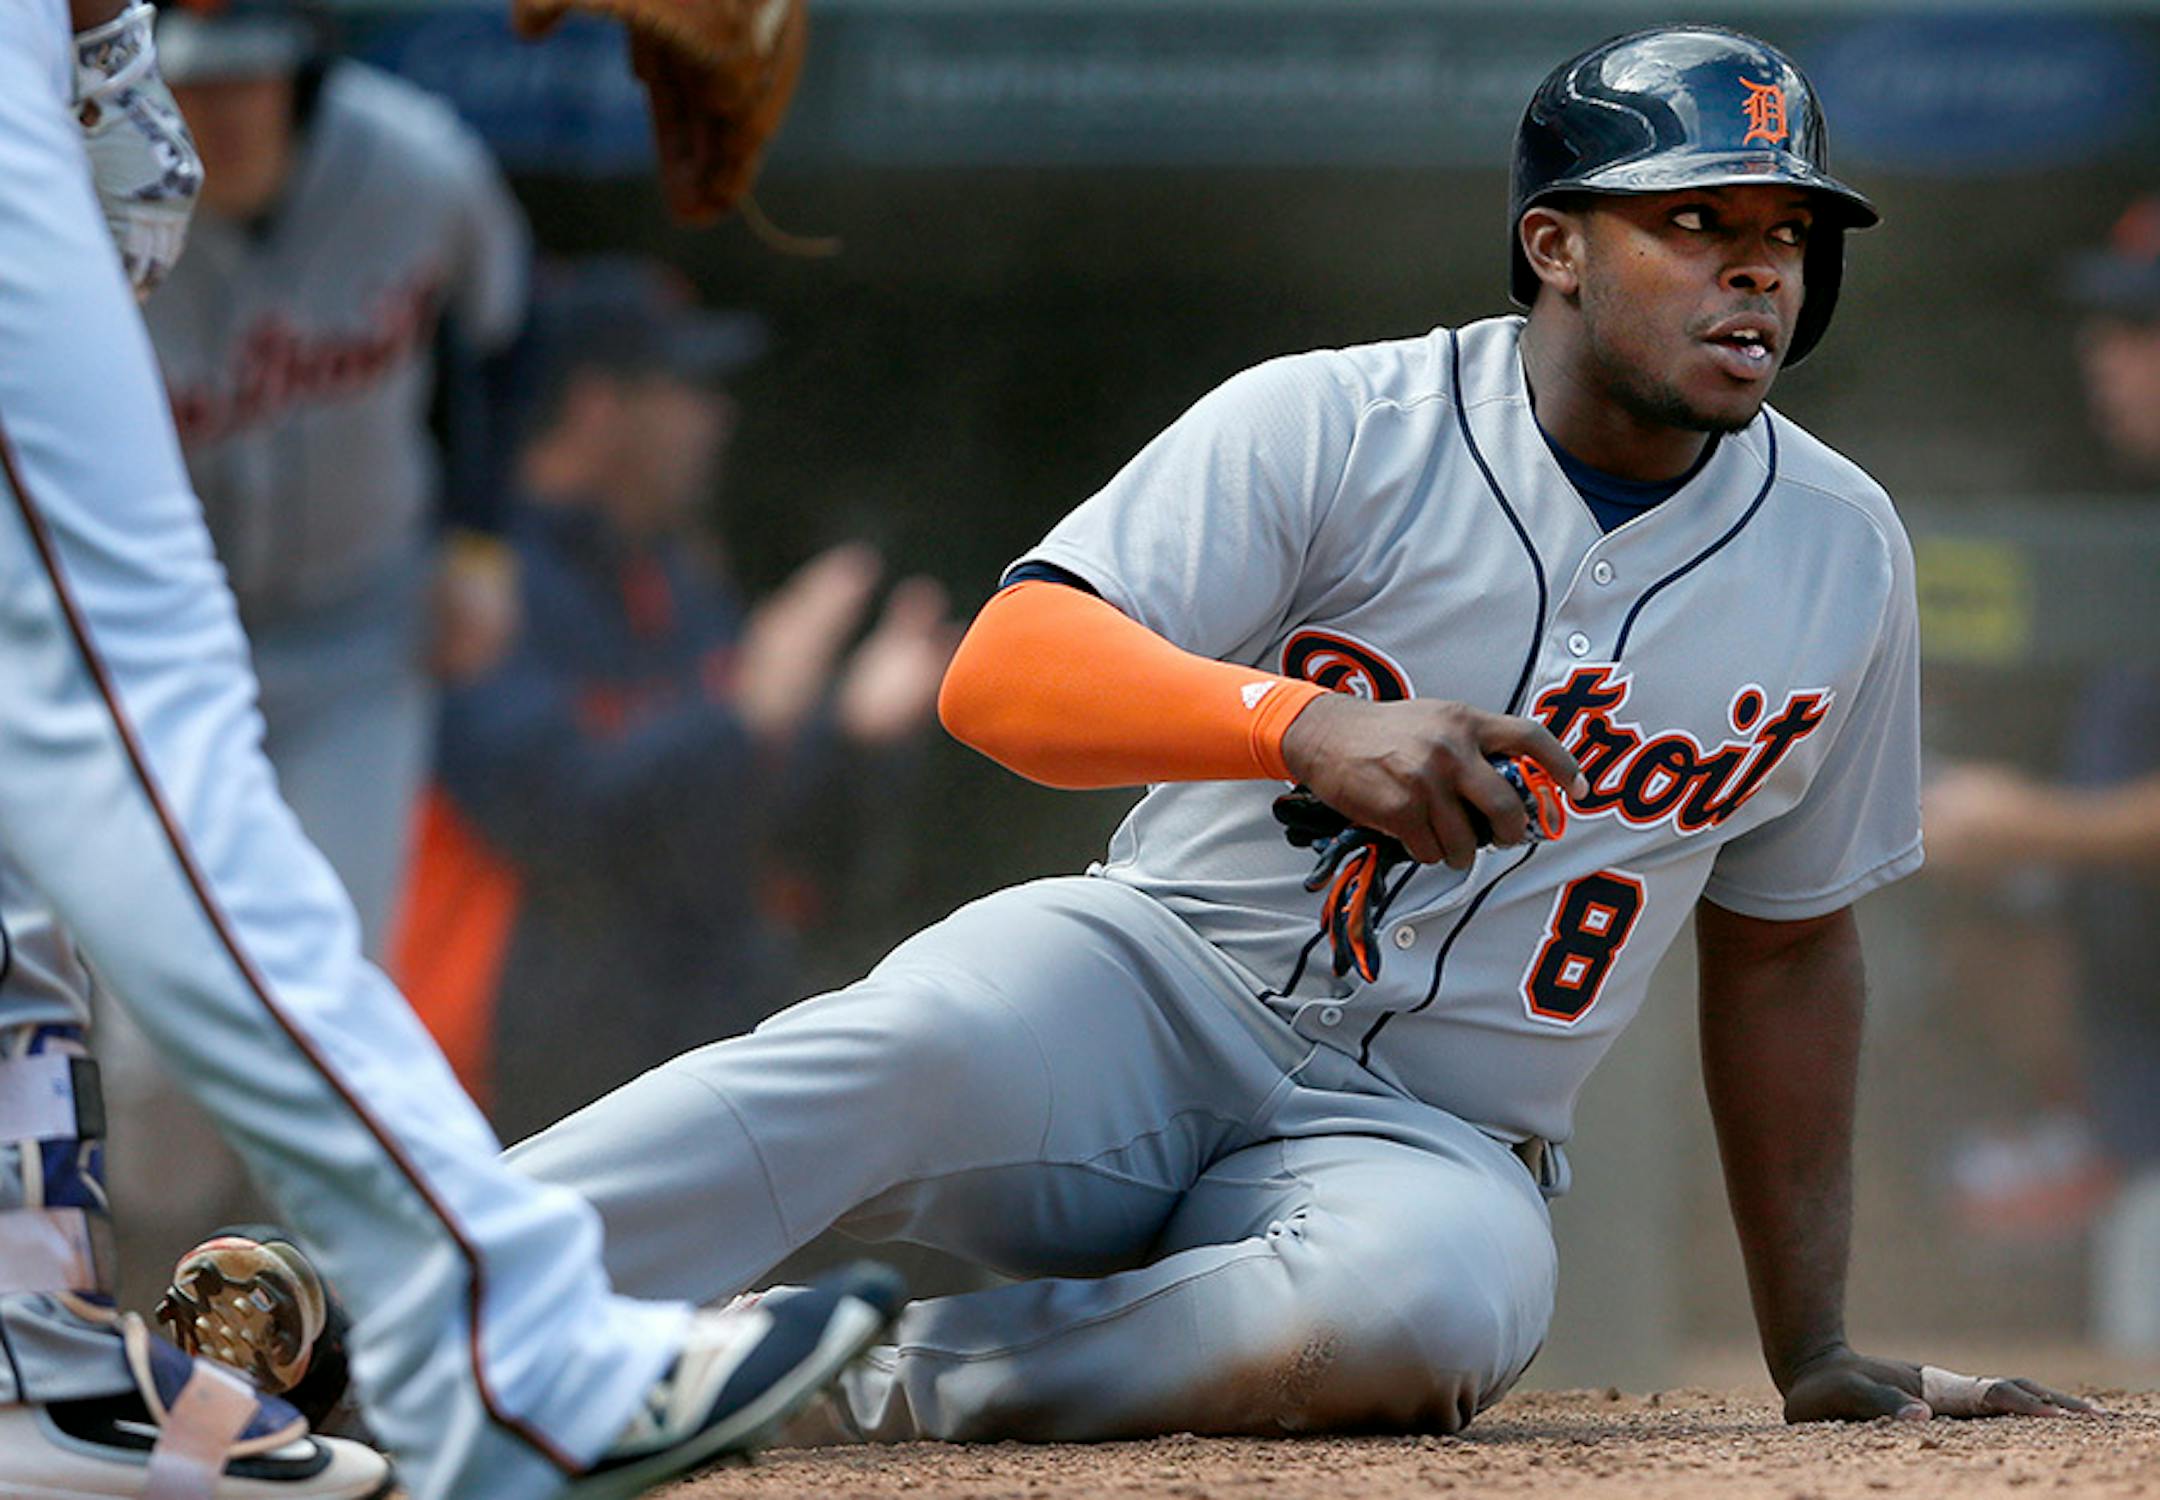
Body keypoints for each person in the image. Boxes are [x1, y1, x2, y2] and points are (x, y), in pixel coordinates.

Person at [175, 26, 2093, 1443]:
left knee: (1420, 1314)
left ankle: (796, 1399)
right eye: (1698, 220)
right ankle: (348, 1313)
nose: (1760, 265)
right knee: (890, 1043)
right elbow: (1002, 674)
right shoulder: (1335, 422)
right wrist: (1299, 728)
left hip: (1441, 1135)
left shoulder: (1840, 550)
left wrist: (1814, 1340)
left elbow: (1788, 941)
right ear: (1555, 246)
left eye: (1787, 231)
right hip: (1146, 990)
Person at [0, 2, 896, 1496]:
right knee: (126, 709)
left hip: (349, 619)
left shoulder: (403, 175)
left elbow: (492, 331)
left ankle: (28, 1358)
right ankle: (508, 1356)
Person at [404, 260, 954, 1142]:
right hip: (495, 1102)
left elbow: (744, 818)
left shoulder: (668, 579)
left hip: (673, 1072)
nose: (716, 416)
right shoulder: (479, 578)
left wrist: (851, 731)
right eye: (686, 387)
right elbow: (553, 811)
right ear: (597, 406)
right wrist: (752, 714)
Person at [1925, 192, 2160, 1347]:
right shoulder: (2136, 536)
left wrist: (2028, 828)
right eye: (2110, 329)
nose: (2105, 358)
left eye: (2143, 332)